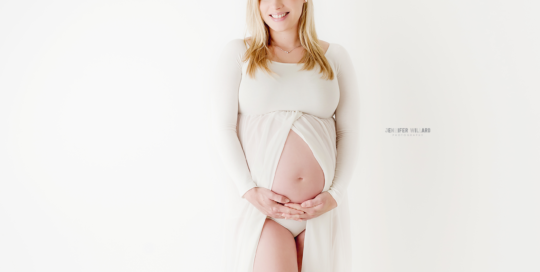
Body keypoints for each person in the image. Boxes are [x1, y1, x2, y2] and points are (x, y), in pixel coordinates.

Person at [210, 0, 360, 271]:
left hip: (319, 212)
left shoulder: (334, 56)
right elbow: (223, 128)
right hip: (262, 212)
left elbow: (348, 131)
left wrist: (335, 194)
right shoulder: (239, 52)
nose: (276, 5)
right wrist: (248, 190)